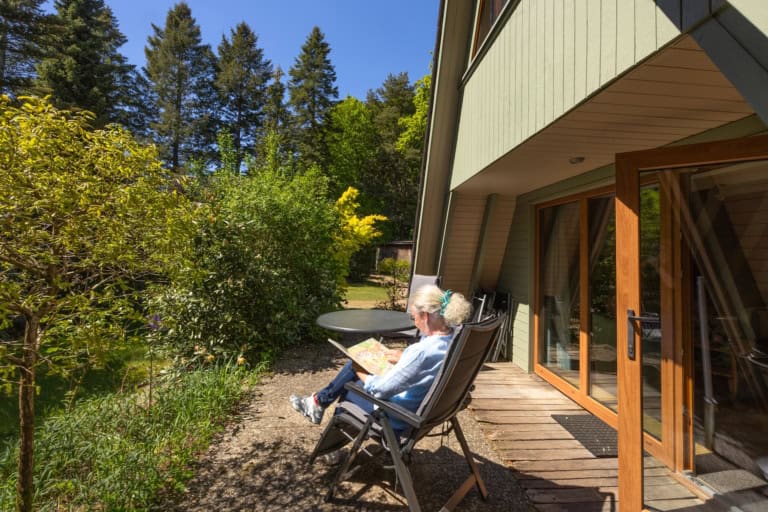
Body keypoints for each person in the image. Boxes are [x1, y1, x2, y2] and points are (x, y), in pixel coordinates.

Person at [290, 285, 472, 430]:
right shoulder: (452, 340)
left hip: (398, 416)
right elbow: (427, 366)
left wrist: (357, 366)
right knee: (358, 367)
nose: (413, 321)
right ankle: (317, 403)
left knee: (350, 385)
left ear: (424, 316)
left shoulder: (422, 351)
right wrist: (403, 357)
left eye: (413, 316)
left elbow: (379, 390)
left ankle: (328, 436)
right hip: (428, 410)